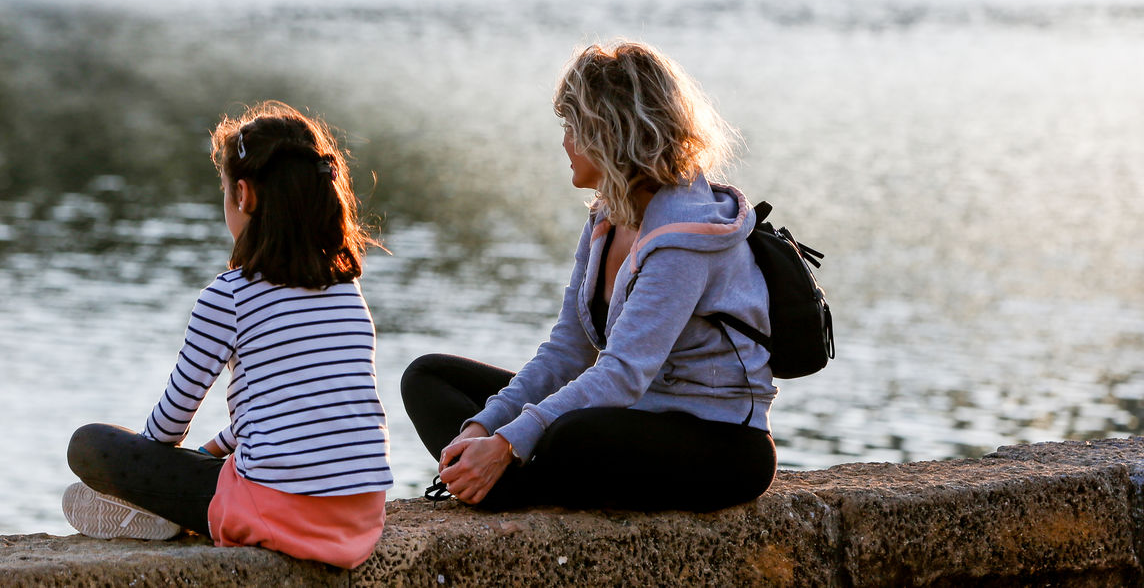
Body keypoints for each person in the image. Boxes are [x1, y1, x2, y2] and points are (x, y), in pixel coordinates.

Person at [402, 41, 777, 512]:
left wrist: (507, 443)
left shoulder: (686, 235)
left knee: (570, 435)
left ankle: (506, 481)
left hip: (721, 442)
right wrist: (484, 427)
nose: (565, 141)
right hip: (631, 417)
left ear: (610, 132)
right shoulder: (607, 216)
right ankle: (495, 475)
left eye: (572, 126)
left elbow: (622, 374)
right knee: (428, 377)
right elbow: (568, 350)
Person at [64, 101, 392, 569]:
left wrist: (154, 469)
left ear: (243, 194)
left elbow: (167, 427)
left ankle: (160, 510)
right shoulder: (346, 289)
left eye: (224, 191)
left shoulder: (230, 295)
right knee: (221, 464)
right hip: (361, 516)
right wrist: (212, 450)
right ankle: (184, 502)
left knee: (90, 444)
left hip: (279, 515)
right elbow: (300, 409)